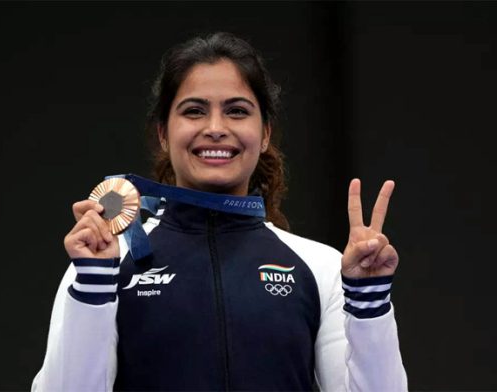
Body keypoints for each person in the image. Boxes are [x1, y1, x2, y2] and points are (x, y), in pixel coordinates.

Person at [32, 32, 407, 391]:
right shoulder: (108, 262)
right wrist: (94, 284)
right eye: (194, 111)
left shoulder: (322, 268)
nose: (215, 128)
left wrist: (369, 301)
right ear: (164, 133)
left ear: (264, 135)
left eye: (237, 111)